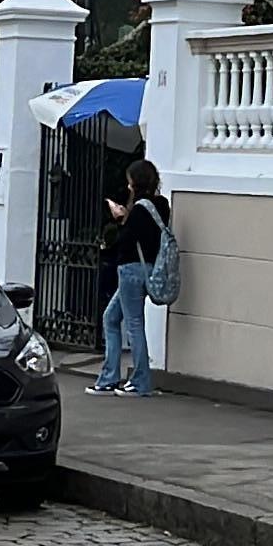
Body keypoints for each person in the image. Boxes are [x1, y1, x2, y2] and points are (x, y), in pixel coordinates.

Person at [90, 156, 169, 400]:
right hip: (148, 269)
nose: (127, 187)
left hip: (130, 270)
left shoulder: (138, 209)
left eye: (130, 182)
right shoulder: (162, 205)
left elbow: (126, 239)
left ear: (136, 183)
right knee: (111, 318)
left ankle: (139, 381)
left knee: (133, 324)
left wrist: (120, 217)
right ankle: (109, 378)